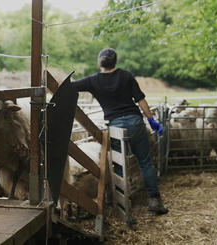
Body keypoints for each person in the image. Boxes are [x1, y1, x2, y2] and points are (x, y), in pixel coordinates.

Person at [71, 48, 168, 215]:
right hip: (135, 121)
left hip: (116, 126)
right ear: (115, 62)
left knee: (118, 165)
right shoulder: (126, 76)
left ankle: (122, 203)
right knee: (145, 162)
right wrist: (152, 120)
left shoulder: (93, 81)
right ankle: (154, 200)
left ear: (99, 62)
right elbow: (140, 100)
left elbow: (69, 87)